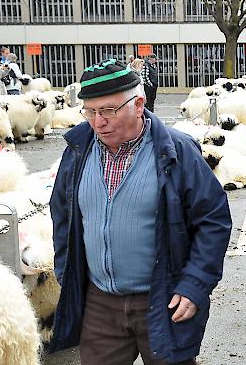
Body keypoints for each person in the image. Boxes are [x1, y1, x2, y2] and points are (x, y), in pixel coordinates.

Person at [48, 59, 232, 364]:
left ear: (138, 104)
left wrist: (194, 284)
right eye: (90, 111)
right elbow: (62, 216)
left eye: (108, 110)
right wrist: (67, 272)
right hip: (100, 303)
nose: (98, 122)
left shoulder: (176, 150)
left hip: (163, 300)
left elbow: (212, 220)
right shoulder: (78, 151)